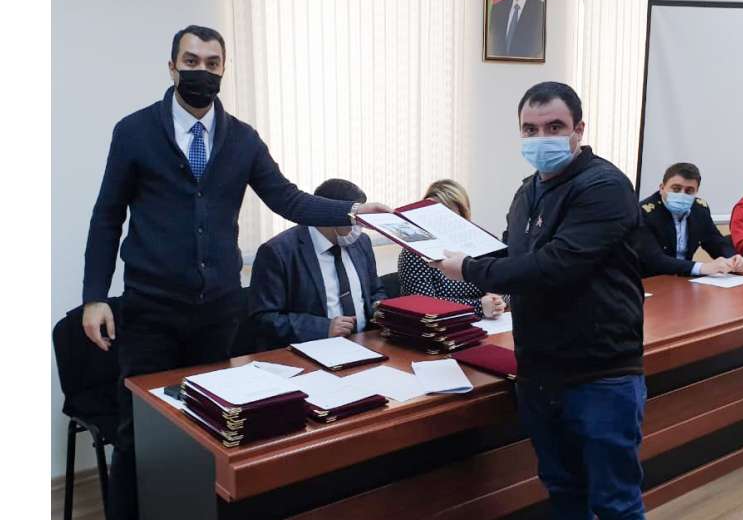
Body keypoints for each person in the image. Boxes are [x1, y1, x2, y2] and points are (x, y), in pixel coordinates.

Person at [81, 25, 390, 519]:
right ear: (172, 67)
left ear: (223, 70)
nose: (201, 71)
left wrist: (350, 211)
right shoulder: (134, 131)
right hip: (150, 312)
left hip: (217, 313)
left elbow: (287, 198)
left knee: (211, 430)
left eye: (212, 63)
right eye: (191, 61)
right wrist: (95, 295)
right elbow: (107, 215)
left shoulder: (243, 140)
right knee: (139, 434)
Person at [431, 82, 646, 519]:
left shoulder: (604, 186)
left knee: (615, 502)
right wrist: (440, 244)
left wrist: (469, 269)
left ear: (578, 129)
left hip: (599, 374)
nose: (540, 138)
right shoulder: (526, 192)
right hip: (539, 373)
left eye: (554, 127)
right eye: (530, 129)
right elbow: (513, 254)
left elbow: (556, 265)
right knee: (563, 491)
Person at [249, 179, 388, 349]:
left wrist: (380, 310)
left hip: (366, 343)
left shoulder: (361, 242)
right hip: (310, 350)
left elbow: (375, 291)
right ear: (331, 213)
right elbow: (264, 318)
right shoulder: (278, 251)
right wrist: (323, 329)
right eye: (354, 219)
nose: (359, 227)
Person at [398, 179, 506, 318]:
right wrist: (478, 307)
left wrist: (498, 298)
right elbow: (423, 304)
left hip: (492, 324)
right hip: (438, 327)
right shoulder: (414, 253)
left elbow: (512, 282)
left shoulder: (481, 244)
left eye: (446, 214)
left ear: (463, 215)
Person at [635, 162, 743, 277]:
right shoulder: (643, 212)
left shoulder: (699, 209)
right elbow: (654, 259)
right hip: (650, 280)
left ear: (696, 191)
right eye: (676, 189)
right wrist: (701, 267)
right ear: (662, 188)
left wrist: (733, 259)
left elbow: (716, 242)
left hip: (683, 279)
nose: (682, 194)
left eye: (689, 191)